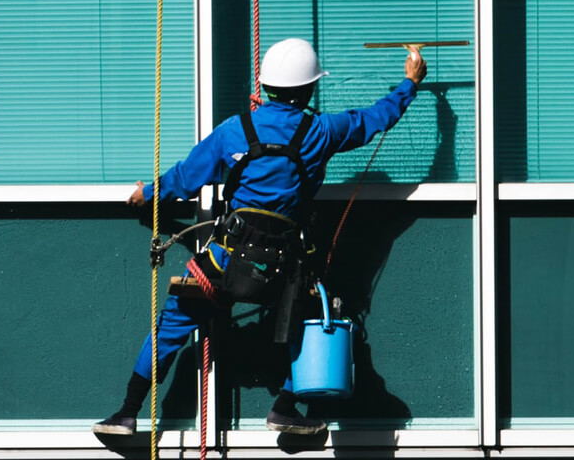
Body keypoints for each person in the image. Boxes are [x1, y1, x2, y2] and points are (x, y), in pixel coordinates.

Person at [94, 37, 426, 436]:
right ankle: (284, 407)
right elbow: (375, 118)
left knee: (171, 326)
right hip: (282, 269)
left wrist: (147, 194)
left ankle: (128, 412)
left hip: (224, 260)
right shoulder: (321, 131)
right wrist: (410, 82)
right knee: (313, 320)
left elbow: (184, 178)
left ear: (266, 86)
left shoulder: (234, 131)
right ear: (309, 88)